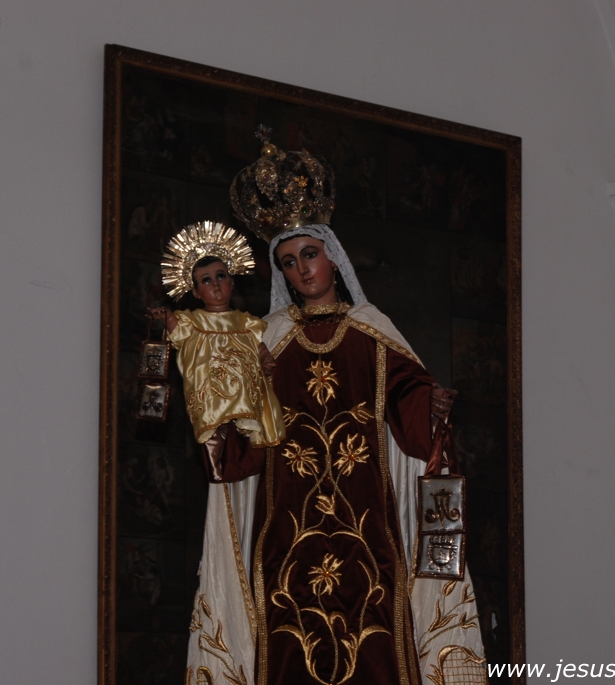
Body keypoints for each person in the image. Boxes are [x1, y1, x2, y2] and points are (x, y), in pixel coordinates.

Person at [184, 134, 487, 685]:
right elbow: (241, 447)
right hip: (285, 537)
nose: (302, 270)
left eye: (309, 254)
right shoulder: (268, 341)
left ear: (331, 255)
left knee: (378, 639)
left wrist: (431, 405)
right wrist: (234, 405)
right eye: (288, 262)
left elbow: (410, 416)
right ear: (280, 273)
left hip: (370, 534)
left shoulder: (372, 331)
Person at [150, 221, 284, 450]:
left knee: (244, 452)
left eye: (220, 276)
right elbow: (178, 333)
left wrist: (265, 358)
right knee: (217, 451)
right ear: (195, 292)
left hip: (245, 398)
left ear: (232, 281)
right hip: (212, 402)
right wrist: (167, 317)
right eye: (206, 280)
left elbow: (258, 345)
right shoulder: (191, 321)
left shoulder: (246, 322)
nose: (216, 284)